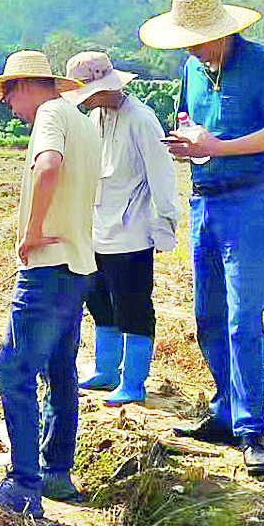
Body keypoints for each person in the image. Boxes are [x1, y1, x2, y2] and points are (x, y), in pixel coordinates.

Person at [140, 0, 264, 477]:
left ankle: (253, 429)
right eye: (186, 41)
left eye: (199, 39)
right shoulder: (191, 68)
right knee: (208, 314)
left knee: (242, 317)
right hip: (204, 199)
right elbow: (190, 119)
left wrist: (219, 146)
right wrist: (187, 140)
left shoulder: (262, 62)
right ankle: (225, 409)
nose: (192, 48)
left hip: (248, 200)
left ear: (224, 31)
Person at [0, 51, 100, 517]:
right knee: (60, 369)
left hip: (49, 264)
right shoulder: (84, 121)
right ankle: (55, 472)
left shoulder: (48, 113)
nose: (8, 108)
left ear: (24, 86)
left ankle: (23, 484)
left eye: (7, 97)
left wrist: (31, 232)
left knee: (14, 368)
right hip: (81, 263)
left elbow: (47, 167)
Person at [64, 51, 179, 422]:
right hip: (97, 230)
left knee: (133, 307)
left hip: (131, 234)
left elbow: (162, 174)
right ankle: (106, 370)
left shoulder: (141, 119)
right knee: (99, 303)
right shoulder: (96, 119)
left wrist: (165, 222)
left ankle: (133, 379)